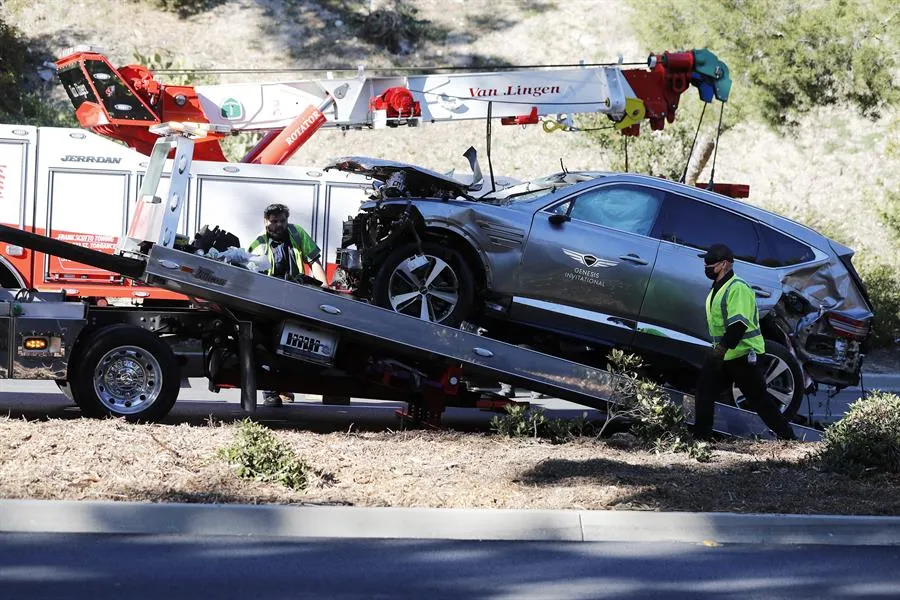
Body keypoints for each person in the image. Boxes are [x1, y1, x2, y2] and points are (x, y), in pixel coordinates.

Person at [693, 243, 796, 441]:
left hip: (743, 355)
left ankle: (788, 438)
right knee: (704, 392)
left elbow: (738, 325)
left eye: (710, 264)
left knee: (758, 399)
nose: (706, 267)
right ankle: (700, 440)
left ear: (724, 265)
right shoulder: (717, 287)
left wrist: (720, 351)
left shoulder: (737, 288)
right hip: (726, 354)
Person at [248, 203, 328, 407]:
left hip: (295, 298)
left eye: (282, 221)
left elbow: (314, 261)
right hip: (269, 301)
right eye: (274, 221)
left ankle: (285, 387)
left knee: (290, 342)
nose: (278, 225)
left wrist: (325, 288)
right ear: (266, 221)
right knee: (267, 344)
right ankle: (270, 393)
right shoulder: (259, 243)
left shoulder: (297, 233)